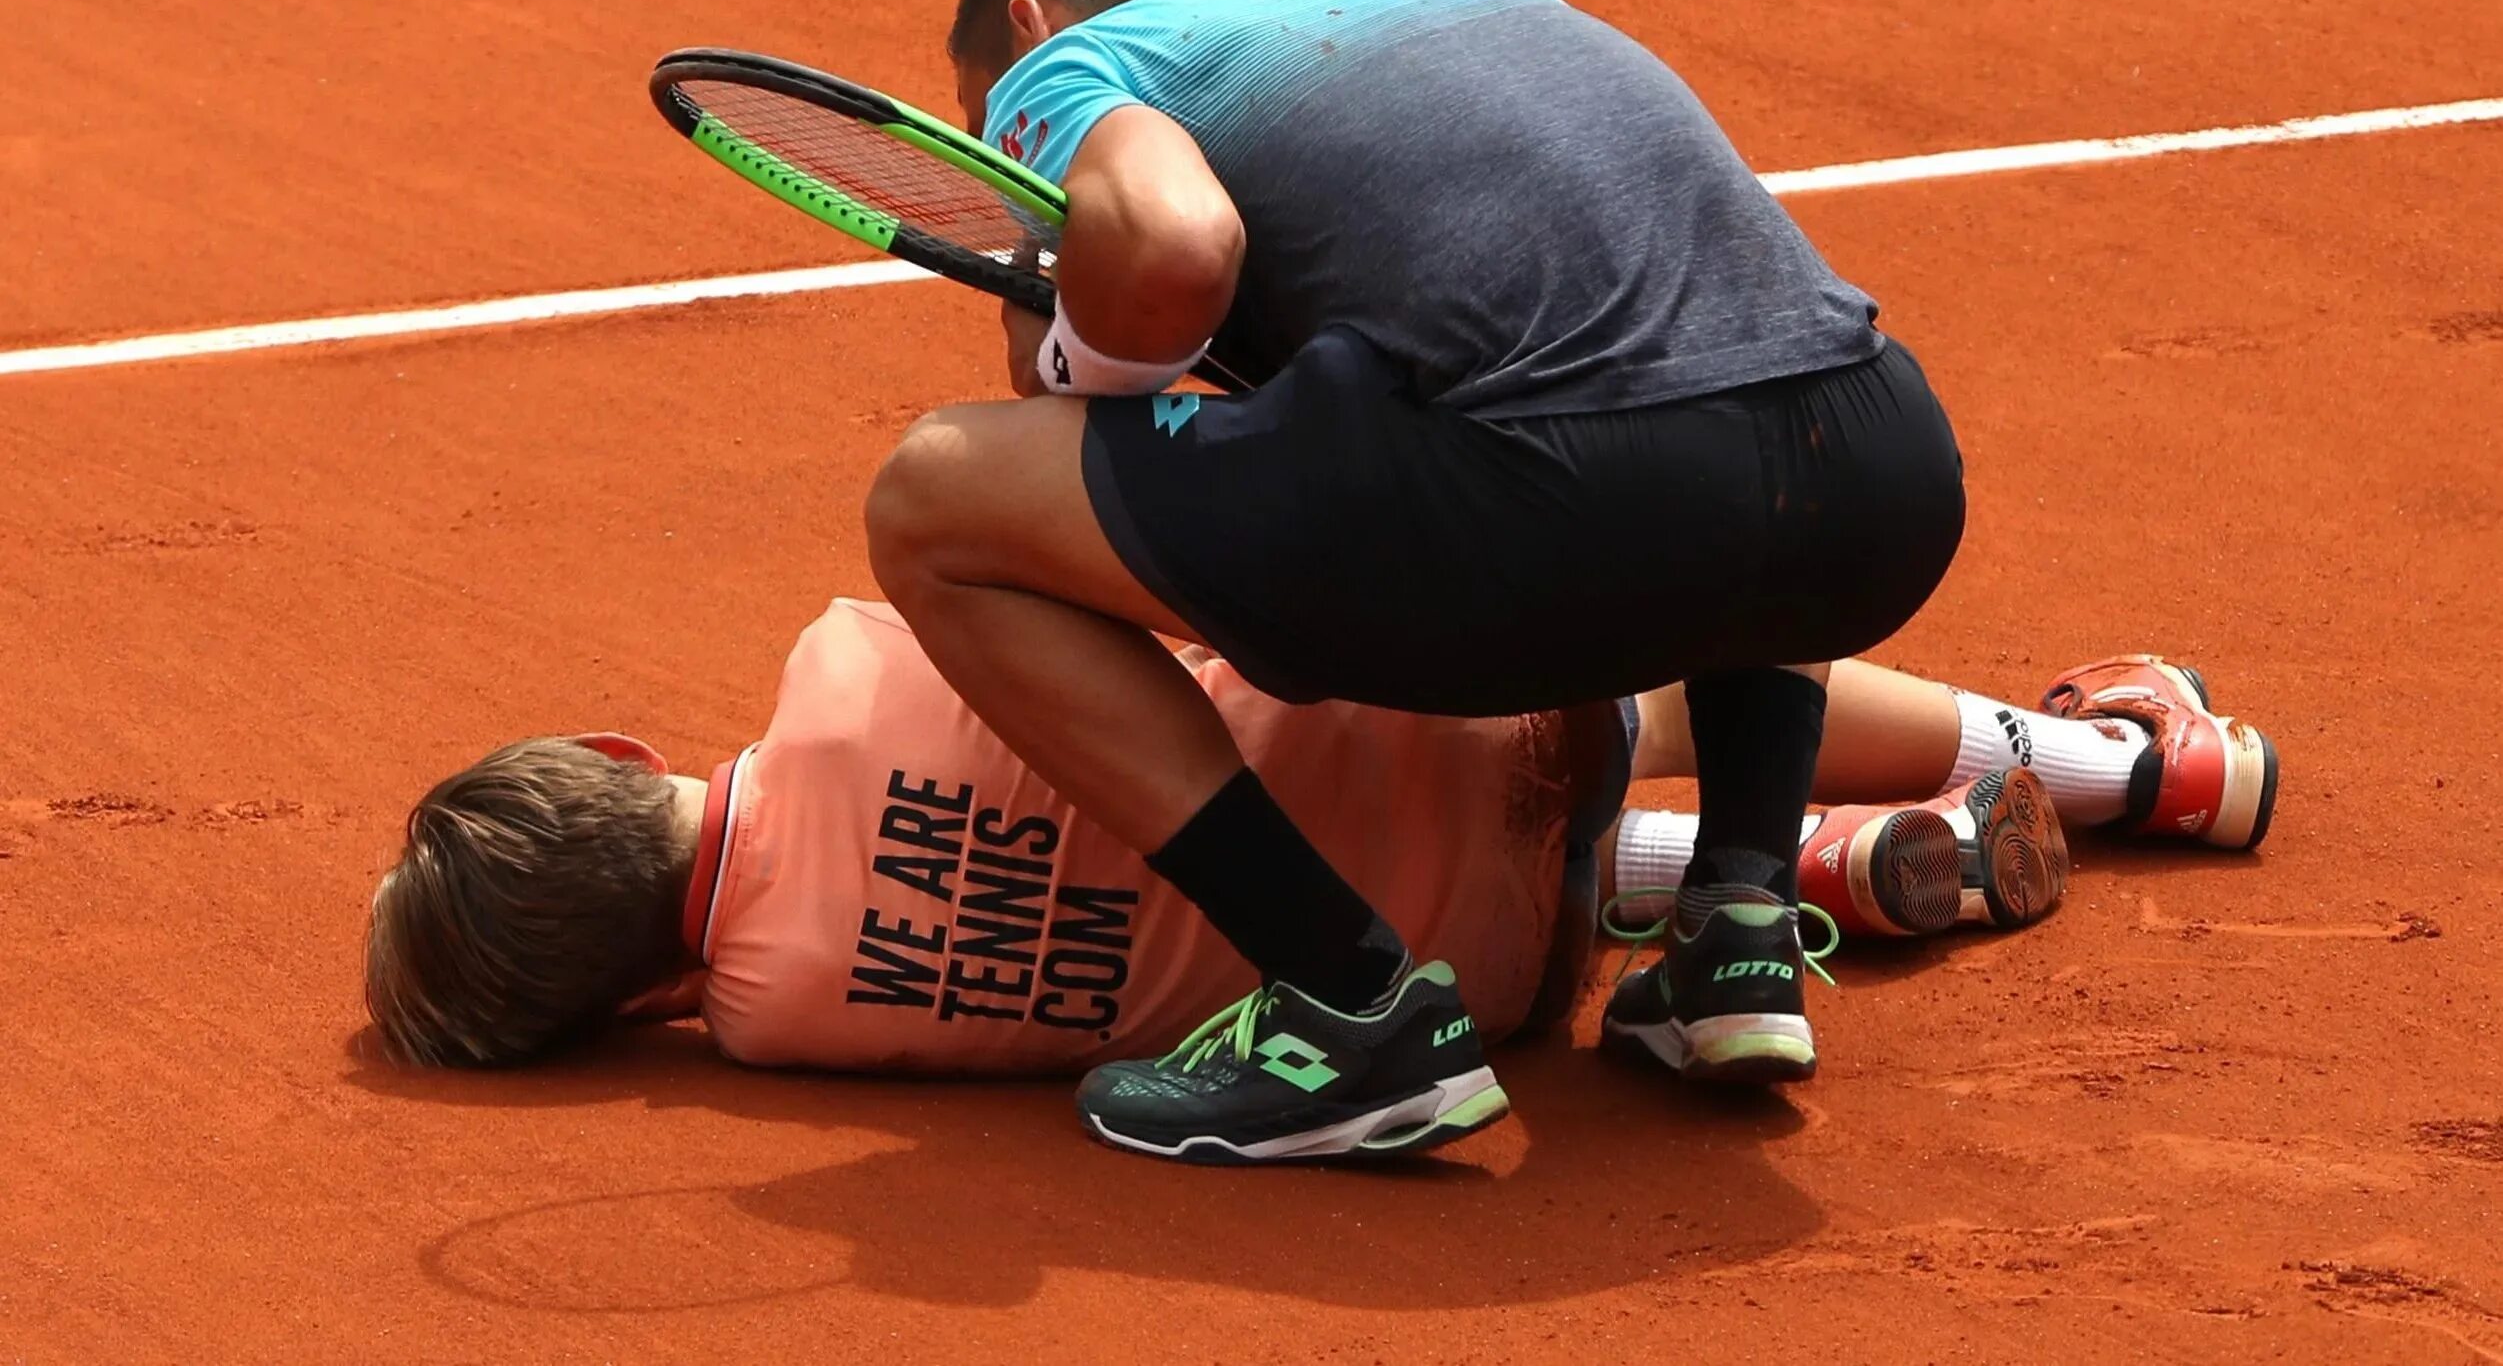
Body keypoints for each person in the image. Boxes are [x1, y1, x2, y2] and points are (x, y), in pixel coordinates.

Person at [857, 0, 1975, 1159]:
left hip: (1567, 499)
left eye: (986, 123)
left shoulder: (1071, 65)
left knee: (932, 503)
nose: (1011, 174)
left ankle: (1345, 1000)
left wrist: (1062, 336)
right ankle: (1739, 911)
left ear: (1027, 27)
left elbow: (1168, 250)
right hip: (1876, 473)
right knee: (1696, 363)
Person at [365, 594, 2278, 1160]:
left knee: (1303, 880)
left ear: (628, 998)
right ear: (621, 754)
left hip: (1485, 985)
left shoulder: (778, 1027)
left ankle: (1830, 876)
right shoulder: (834, 665)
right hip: (1491, 721)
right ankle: (2137, 762)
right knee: (1666, 655)